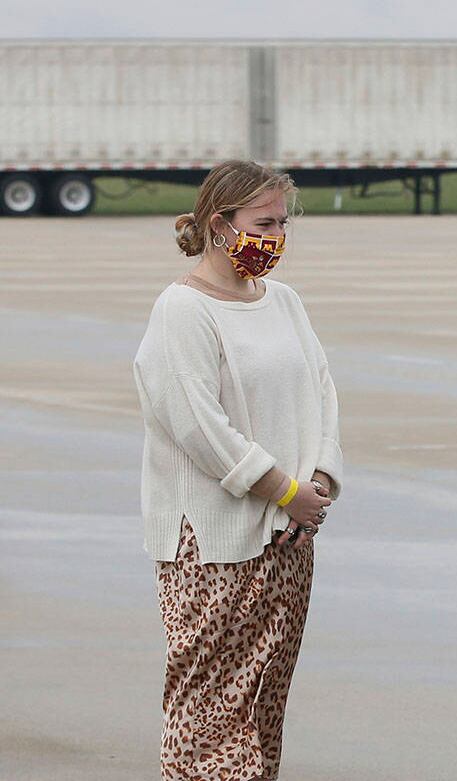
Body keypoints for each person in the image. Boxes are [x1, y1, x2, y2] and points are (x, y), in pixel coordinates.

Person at [133, 160, 343, 781]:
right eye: (263, 223)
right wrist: (283, 490)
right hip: (213, 543)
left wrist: (320, 481)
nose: (275, 237)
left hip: (288, 536)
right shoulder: (182, 311)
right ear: (220, 226)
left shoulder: (284, 302)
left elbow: (322, 392)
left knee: (262, 698)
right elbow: (198, 426)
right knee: (208, 705)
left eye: (282, 223)